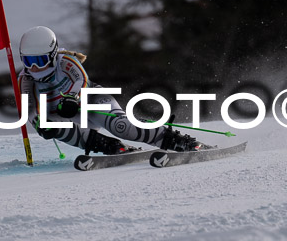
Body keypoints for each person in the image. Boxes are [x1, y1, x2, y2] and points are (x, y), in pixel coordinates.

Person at [18, 26, 205, 155]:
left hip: (92, 101)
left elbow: (82, 80)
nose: (34, 67)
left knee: (122, 127)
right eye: (28, 61)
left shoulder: (66, 62)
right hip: (69, 116)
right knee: (55, 126)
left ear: (52, 55)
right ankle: (110, 146)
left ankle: (174, 140)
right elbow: (29, 108)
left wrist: (72, 99)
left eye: (40, 61)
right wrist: (39, 124)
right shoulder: (25, 79)